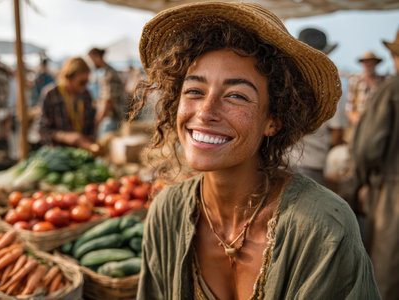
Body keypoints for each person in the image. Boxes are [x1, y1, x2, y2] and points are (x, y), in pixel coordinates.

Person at [131, 2, 380, 299]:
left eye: (236, 95)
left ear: (273, 120)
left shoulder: (322, 226)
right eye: (194, 91)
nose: (206, 112)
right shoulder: (167, 213)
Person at [352, 29, 399, 300]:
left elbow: (367, 148)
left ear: (393, 57)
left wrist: (361, 180)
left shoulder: (390, 90)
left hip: (392, 196)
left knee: (385, 277)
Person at [289, 28, 348, 186]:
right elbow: (337, 134)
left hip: (280, 161)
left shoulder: (285, 83)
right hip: (313, 164)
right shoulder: (332, 89)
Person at [39, 57, 97, 152]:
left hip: (82, 154)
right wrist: (64, 136)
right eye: (81, 82)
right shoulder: (51, 95)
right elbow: (42, 129)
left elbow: (91, 125)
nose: (84, 86)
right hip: (58, 154)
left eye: (87, 82)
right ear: (69, 77)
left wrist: (87, 141)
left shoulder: (86, 95)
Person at [345, 50, 385, 142]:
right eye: (366, 63)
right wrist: (361, 122)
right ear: (363, 64)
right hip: (358, 128)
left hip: (378, 129)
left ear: (376, 64)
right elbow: (349, 110)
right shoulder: (355, 81)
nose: (368, 65)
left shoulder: (383, 83)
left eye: (371, 63)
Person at [87, 47, 126, 138]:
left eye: (91, 60)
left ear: (96, 57)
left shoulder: (109, 74)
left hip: (111, 118)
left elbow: (109, 101)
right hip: (111, 118)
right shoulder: (106, 73)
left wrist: (98, 120)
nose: (90, 63)